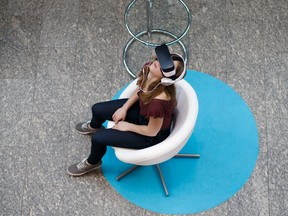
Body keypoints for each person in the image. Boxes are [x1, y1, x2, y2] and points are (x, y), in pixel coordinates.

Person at [67, 44, 186, 176]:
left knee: (98, 139)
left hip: (150, 134)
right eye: (163, 59)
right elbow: (141, 88)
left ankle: (92, 163)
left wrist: (127, 126)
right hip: (143, 112)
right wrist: (124, 108)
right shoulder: (150, 69)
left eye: (166, 67)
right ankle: (94, 126)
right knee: (97, 109)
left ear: (167, 79)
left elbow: (152, 131)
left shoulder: (158, 102)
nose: (158, 63)